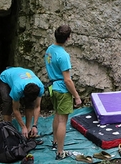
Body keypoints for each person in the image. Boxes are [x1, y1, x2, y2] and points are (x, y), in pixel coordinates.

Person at [45, 25, 82, 160]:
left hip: (53, 87)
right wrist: (76, 96)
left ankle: (55, 142)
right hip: (61, 89)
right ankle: (60, 152)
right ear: (68, 38)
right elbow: (67, 80)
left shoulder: (49, 50)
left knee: (57, 114)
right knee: (62, 121)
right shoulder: (63, 55)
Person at [0, 67, 44, 138]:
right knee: (8, 103)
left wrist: (34, 125)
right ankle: (8, 130)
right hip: (5, 77)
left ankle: (28, 130)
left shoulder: (40, 87)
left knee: (30, 104)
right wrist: (23, 127)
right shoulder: (17, 89)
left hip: (21, 74)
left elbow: (37, 106)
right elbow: (15, 109)